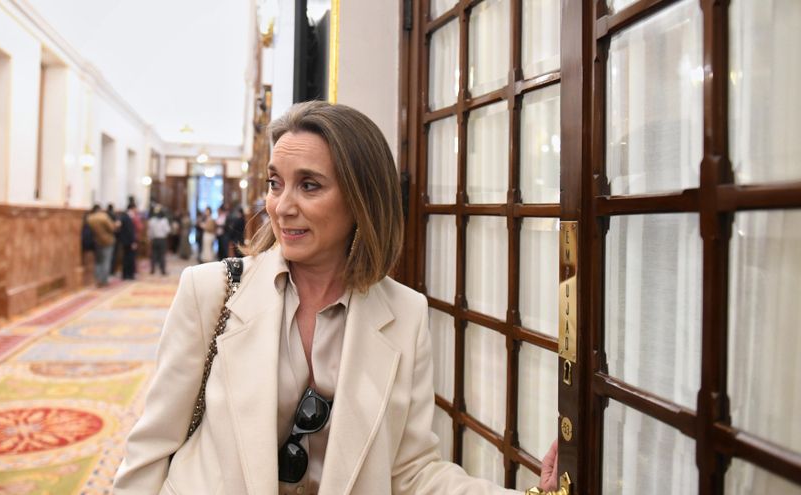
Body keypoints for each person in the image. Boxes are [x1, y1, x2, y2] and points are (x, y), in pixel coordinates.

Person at [113, 101, 557, 494]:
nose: (281, 206)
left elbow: (411, 472)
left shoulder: (405, 314)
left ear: (361, 199)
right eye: (274, 183)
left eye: (309, 185)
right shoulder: (209, 291)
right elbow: (153, 446)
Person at [86, 204, 117, 287]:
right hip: (107, 241)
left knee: (98, 262)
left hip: (97, 241)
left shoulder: (90, 218)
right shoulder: (104, 217)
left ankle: (98, 280)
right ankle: (104, 280)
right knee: (106, 261)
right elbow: (112, 228)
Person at [118, 204, 139, 280]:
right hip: (129, 241)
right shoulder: (127, 217)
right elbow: (130, 231)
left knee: (127, 258)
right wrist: (133, 241)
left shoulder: (124, 216)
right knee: (129, 258)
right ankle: (129, 274)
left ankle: (127, 274)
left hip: (125, 241)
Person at [147, 205, 170, 275]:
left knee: (154, 255)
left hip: (154, 239)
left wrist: (150, 238)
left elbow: (150, 231)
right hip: (162, 239)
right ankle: (162, 270)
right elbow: (167, 230)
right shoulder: (164, 220)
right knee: (162, 255)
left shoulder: (151, 221)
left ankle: (152, 269)